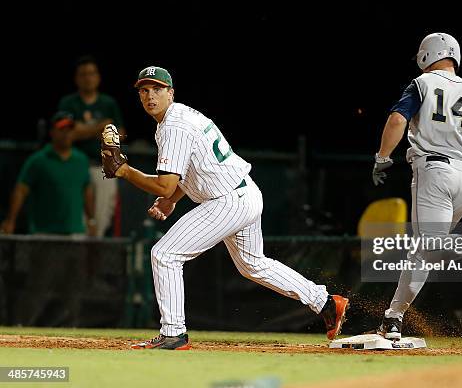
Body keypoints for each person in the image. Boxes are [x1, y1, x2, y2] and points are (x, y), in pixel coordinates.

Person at [102, 66, 349, 350]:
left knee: (164, 254)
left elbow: (165, 185)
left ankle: (173, 333)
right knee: (253, 265)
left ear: (171, 93)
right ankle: (326, 302)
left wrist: (125, 172)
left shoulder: (173, 126)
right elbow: (195, 169)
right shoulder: (181, 116)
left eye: (157, 89)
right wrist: (171, 200)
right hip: (244, 193)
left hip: (228, 200)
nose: (150, 95)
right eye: (144, 90)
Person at [370, 33, 462, 340]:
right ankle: (394, 318)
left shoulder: (422, 84)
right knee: (424, 253)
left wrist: (382, 156)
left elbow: (398, 119)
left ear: (427, 55)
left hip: (435, 172)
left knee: (430, 246)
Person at [0, 111, 94, 326]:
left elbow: (87, 191)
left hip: (74, 234)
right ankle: (22, 326)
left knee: (74, 289)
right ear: (52, 132)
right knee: (38, 287)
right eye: (61, 129)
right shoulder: (38, 160)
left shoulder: (80, 160)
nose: (66, 134)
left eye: (70, 129)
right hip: (46, 235)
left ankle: (72, 331)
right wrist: (10, 220)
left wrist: (92, 220)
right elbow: (21, 190)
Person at [58, 55, 125, 237]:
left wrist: (82, 129)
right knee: (76, 219)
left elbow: (120, 135)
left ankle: (95, 257)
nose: (88, 78)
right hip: (75, 166)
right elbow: (67, 135)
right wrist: (100, 127)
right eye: (83, 74)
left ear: (98, 77)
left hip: (102, 167)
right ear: (77, 78)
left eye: (92, 73)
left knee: (102, 218)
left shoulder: (108, 103)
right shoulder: (68, 103)